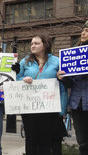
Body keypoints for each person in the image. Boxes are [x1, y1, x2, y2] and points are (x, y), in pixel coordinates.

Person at [17, 34, 67, 155]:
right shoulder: (25, 62)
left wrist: (62, 109)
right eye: (32, 43)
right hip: (30, 110)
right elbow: (16, 80)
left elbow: (63, 87)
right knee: (31, 142)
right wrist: (23, 79)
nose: (33, 46)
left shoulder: (57, 61)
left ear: (45, 45)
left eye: (36, 43)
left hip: (50, 110)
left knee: (49, 144)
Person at [57, 20, 88, 155]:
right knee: (83, 142)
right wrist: (63, 78)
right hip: (77, 104)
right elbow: (70, 84)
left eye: (87, 30)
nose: (83, 33)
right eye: (83, 30)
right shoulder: (73, 53)